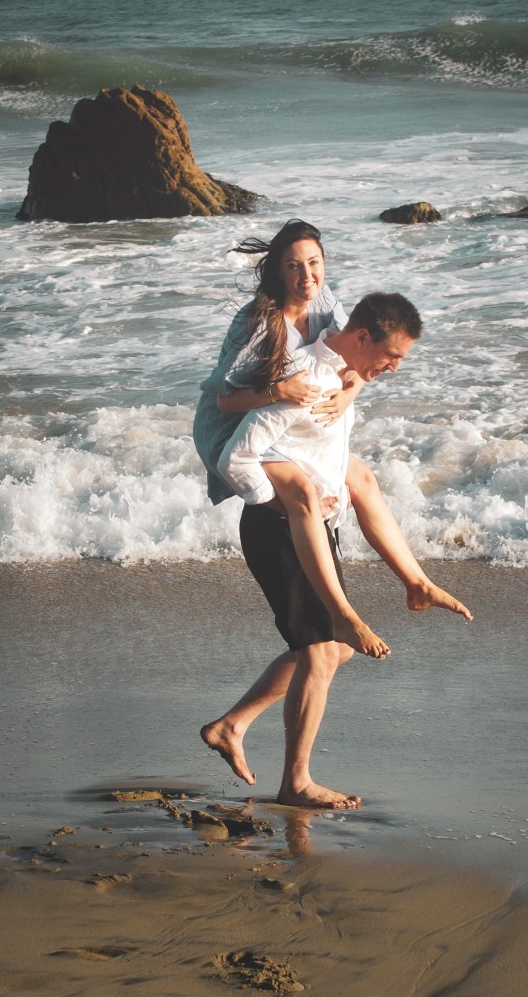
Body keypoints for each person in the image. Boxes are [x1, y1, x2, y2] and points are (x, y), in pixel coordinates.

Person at [201, 292, 472, 810]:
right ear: (364, 337)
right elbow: (237, 458)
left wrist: (353, 392)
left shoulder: (342, 374)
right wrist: (280, 498)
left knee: (334, 649)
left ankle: (231, 726)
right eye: (392, 357)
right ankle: (296, 783)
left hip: (311, 527)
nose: (394, 368)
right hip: (280, 529)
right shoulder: (305, 378)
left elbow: (331, 443)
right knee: (324, 652)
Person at [193, 220, 471, 662]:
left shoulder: (326, 305)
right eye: (294, 266)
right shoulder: (257, 325)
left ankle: (416, 583)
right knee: (303, 492)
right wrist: (278, 392)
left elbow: (357, 353)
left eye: (315, 263)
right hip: (236, 425)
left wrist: (346, 395)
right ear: (278, 273)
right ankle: (343, 614)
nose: (307, 276)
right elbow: (225, 402)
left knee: (360, 477)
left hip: (290, 425)